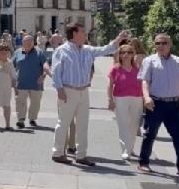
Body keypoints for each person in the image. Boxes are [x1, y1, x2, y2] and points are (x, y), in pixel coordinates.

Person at [50, 24, 127, 167]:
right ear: (74, 34)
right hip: (68, 91)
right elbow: (56, 72)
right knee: (63, 123)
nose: (85, 34)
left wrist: (118, 39)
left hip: (84, 91)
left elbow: (105, 49)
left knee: (83, 124)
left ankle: (81, 155)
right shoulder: (62, 50)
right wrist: (60, 90)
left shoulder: (87, 50)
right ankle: (58, 153)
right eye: (83, 32)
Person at [137, 33, 179, 178]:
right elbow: (144, 81)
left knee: (178, 136)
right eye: (157, 43)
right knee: (150, 134)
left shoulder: (178, 62)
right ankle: (143, 163)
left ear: (170, 45)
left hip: (174, 104)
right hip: (156, 103)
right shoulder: (149, 61)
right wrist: (146, 98)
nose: (160, 46)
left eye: (163, 43)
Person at [107, 44, 143, 161]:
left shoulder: (138, 68)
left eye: (128, 52)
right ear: (119, 55)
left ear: (133, 54)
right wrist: (110, 100)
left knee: (134, 125)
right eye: (123, 52)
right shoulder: (115, 68)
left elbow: (144, 84)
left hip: (137, 99)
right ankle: (125, 150)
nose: (126, 55)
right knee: (123, 124)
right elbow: (110, 85)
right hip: (120, 98)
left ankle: (130, 148)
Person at [12, 35, 50, 129]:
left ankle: (32, 119)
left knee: (35, 103)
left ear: (34, 43)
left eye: (30, 42)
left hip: (36, 83)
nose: (28, 43)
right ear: (23, 43)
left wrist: (44, 75)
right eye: (26, 42)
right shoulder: (17, 52)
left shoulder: (39, 52)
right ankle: (20, 120)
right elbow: (11, 66)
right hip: (21, 82)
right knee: (20, 102)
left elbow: (45, 64)